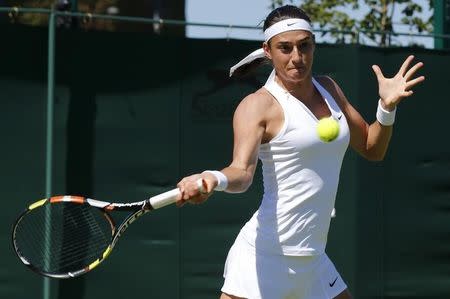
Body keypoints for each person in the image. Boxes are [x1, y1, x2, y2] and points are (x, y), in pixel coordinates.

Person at [176, 5, 425, 299]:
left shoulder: (329, 88)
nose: (297, 57)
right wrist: (213, 179)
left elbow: (373, 148)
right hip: (264, 257)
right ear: (267, 51)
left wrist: (386, 108)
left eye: (304, 45)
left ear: (313, 45)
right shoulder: (257, 105)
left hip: (313, 258)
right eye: (285, 48)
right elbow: (242, 173)